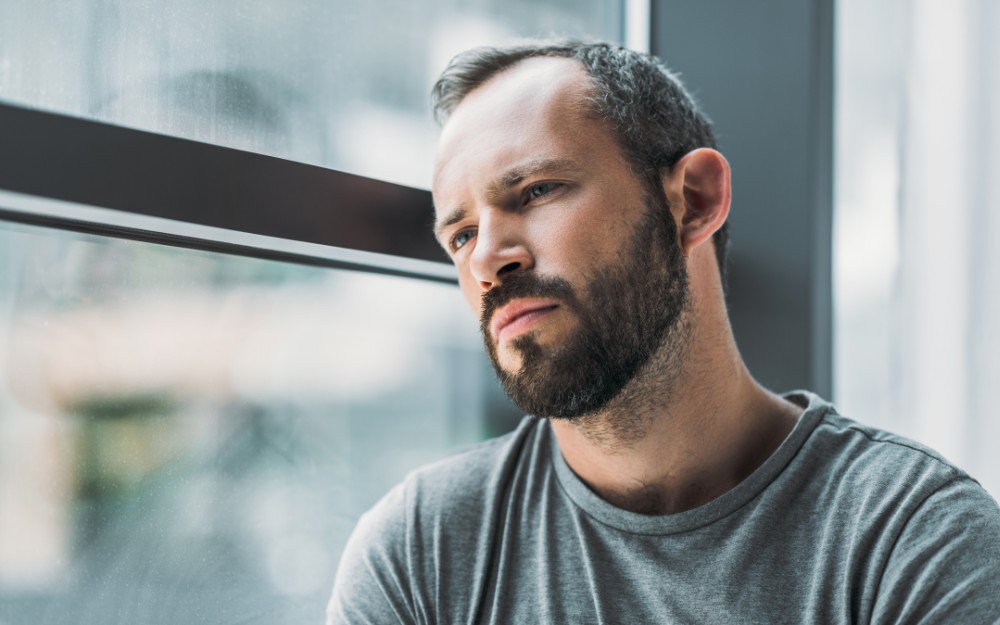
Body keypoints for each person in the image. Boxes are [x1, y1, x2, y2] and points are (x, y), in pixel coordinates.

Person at [327, 40, 1000, 623]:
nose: (486, 260)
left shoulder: (914, 538)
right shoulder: (422, 550)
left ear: (693, 202)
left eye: (535, 192)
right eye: (461, 233)